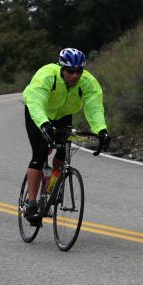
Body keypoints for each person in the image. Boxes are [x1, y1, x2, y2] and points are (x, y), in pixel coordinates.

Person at [22, 47, 110, 225]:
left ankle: (52, 185)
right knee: (39, 155)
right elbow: (36, 101)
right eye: (71, 71)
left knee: (63, 151)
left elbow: (94, 108)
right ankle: (31, 204)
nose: (75, 75)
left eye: (79, 71)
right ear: (61, 68)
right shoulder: (46, 75)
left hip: (63, 116)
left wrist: (101, 130)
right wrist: (44, 124)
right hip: (38, 114)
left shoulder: (87, 82)